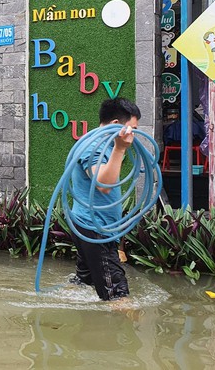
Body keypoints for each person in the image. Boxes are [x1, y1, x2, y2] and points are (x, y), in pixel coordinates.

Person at [68, 97, 140, 301]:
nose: (134, 134)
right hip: (95, 228)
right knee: (118, 295)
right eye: (132, 128)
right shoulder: (94, 147)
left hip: (93, 225)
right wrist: (120, 149)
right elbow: (103, 185)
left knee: (84, 282)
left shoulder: (103, 144)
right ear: (117, 125)